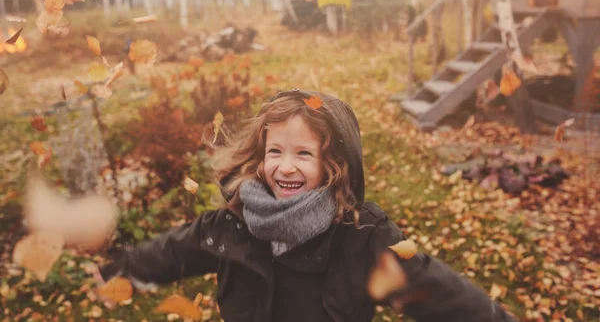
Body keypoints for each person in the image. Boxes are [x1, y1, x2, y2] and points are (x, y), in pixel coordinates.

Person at [98, 89, 517, 322]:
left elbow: (437, 290)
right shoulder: (234, 223)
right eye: (275, 151)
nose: (284, 166)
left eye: (303, 154)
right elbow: (174, 252)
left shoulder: (362, 237)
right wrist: (119, 273)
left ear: (331, 162)